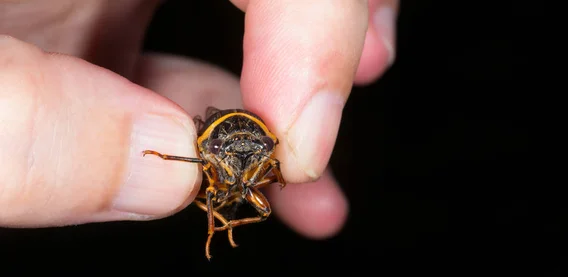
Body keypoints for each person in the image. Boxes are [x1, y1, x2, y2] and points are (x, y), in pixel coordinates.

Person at [0, 0, 398, 239]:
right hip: (232, 144)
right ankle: (217, 223)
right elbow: (268, 165)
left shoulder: (237, 170)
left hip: (230, 144)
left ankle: (219, 224)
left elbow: (270, 166)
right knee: (206, 189)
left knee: (230, 196)